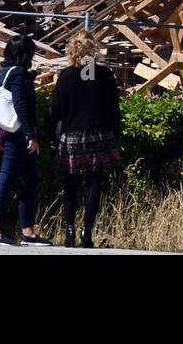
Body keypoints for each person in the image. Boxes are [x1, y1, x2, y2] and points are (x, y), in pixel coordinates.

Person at [50, 31, 122, 248]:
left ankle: (69, 232)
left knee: (70, 184)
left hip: (71, 134)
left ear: (72, 51)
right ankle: (86, 232)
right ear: (94, 50)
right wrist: (113, 131)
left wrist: (56, 129)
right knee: (94, 182)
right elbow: (114, 108)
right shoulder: (105, 75)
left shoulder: (66, 76)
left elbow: (55, 109)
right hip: (98, 133)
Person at [0, 34, 51, 246]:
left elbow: (17, 86)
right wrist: (30, 135)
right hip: (18, 136)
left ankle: (28, 231)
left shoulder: (7, 72)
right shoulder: (19, 74)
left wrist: (33, 74)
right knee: (6, 179)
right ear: (26, 54)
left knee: (29, 181)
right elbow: (20, 104)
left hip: (13, 134)